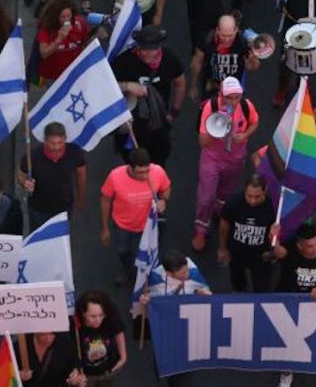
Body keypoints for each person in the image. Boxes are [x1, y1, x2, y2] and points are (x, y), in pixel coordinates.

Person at [193, 77, 258, 251]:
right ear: (221, 95)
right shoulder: (211, 107)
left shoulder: (246, 106)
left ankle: (220, 211)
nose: (235, 102)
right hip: (212, 159)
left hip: (235, 158)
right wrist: (216, 126)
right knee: (206, 196)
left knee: (225, 193)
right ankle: (201, 229)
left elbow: (254, 122)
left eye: (237, 97)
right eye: (230, 97)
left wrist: (245, 136)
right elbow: (203, 142)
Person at [112, 24, 185, 165]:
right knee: (132, 164)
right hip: (131, 124)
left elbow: (180, 83)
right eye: (144, 48)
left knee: (159, 162)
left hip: (159, 121)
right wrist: (127, 86)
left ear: (159, 47)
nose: (147, 53)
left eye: (151, 49)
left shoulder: (170, 59)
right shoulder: (124, 61)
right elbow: (107, 86)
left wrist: (174, 113)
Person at [99, 148, 171, 284]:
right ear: (130, 168)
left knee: (151, 253)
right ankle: (128, 269)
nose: (145, 176)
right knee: (122, 251)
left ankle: (148, 275)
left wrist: (164, 200)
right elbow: (105, 199)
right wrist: (105, 228)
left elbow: (166, 188)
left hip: (150, 225)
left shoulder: (158, 171)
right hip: (124, 225)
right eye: (140, 172)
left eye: (147, 171)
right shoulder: (115, 176)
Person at [17, 122, 88, 229]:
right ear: (45, 140)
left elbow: (81, 175)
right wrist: (24, 182)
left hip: (64, 209)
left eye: (60, 143)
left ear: (65, 139)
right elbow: (20, 175)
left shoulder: (74, 152)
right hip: (38, 209)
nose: (56, 147)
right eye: (52, 143)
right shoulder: (33, 155)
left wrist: (80, 198)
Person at [218, 174, 276, 292]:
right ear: (244, 191)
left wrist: (271, 251)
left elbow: (278, 234)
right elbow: (224, 224)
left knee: (261, 289)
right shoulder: (233, 202)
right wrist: (223, 248)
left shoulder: (273, 207)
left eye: (257, 196)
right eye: (249, 196)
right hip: (236, 252)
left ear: (265, 191)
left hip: (261, 255)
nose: (252, 201)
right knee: (238, 284)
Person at [188, 13, 262, 100]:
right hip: (212, 87)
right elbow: (196, 63)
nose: (227, 40)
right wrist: (193, 86)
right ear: (217, 30)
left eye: (230, 35)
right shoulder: (207, 39)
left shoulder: (243, 42)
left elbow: (253, 67)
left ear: (236, 30)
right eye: (223, 35)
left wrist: (252, 62)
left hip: (234, 90)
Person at [76, 291, 127, 384]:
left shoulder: (110, 316)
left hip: (108, 370)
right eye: (93, 316)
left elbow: (119, 332)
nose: (98, 320)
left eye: (101, 315)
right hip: (86, 375)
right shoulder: (76, 327)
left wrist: (123, 357)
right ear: (83, 314)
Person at [35, 0, 89, 83]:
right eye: (62, 17)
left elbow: (85, 43)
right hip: (53, 76)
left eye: (69, 16)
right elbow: (44, 54)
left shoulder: (80, 23)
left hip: (74, 73)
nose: (66, 20)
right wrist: (58, 40)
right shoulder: (47, 28)